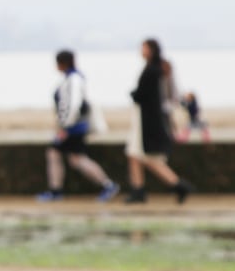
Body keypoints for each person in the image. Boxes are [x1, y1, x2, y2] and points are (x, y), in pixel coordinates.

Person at [37, 50, 119, 203]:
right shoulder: (71, 78)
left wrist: (65, 127)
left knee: (68, 156)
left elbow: (74, 104)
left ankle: (106, 185)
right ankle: (57, 190)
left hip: (73, 128)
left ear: (61, 63)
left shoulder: (73, 79)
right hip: (74, 126)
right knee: (72, 158)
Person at [124, 39, 193, 205]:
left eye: (144, 48)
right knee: (137, 155)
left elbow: (144, 94)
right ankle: (139, 189)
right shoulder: (157, 69)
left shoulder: (153, 70)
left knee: (147, 157)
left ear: (152, 50)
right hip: (150, 119)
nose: (141, 51)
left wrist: (134, 94)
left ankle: (177, 185)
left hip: (148, 121)